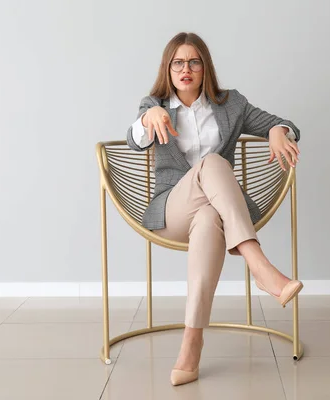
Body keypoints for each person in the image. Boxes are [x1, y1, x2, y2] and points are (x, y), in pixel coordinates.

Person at [126, 32, 303, 386]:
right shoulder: (154, 105)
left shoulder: (231, 104)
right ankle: (259, 265)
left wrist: (277, 131)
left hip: (216, 215)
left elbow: (286, 124)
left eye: (194, 61)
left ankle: (192, 343)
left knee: (208, 218)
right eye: (178, 62)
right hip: (172, 211)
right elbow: (133, 139)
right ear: (168, 68)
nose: (186, 69)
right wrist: (149, 119)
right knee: (211, 165)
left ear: (205, 67)